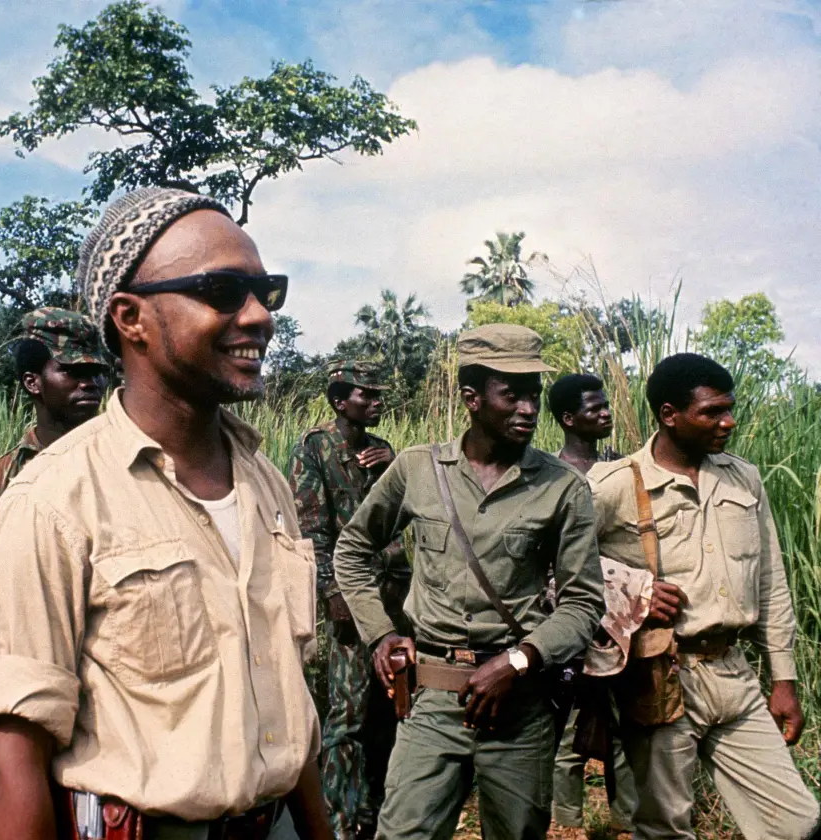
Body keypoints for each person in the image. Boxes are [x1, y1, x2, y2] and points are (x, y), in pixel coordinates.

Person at [0, 187, 331, 840]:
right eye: (221, 290)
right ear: (131, 319)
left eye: (265, 292)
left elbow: (286, 702)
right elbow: (5, 756)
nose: (258, 316)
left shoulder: (267, 485)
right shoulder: (51, 503)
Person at [333, 324, 605, 840]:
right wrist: (381, 633)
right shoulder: (418, 468)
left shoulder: (563, 487)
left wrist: (519, 660)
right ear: (472, 399)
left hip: (520, 708)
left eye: (534, 395)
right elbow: (352, 549)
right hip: (430, 701)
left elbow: (583, 603)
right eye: (513, 395)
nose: (528, 409)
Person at [588, 353, 819, 840]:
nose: (728, 421)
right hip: (660, 678)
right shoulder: (612, 485)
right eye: (712, 412)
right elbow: (556, 570)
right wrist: (633, 593)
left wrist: (784, 679)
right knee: (665, 827)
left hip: (735, 676)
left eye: (730, 408)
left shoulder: (743, 478)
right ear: (669, 414)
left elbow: (772, 582)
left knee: (798, 822)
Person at [288, 360, 410, 840]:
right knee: (348, 713)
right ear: (340, 402)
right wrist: (333, 592)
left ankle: (378, 814)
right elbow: (311, 530)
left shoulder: (383, 451)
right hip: (348, 596)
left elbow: (401, 523)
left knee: (391, 707)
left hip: (394, 595)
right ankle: (340, 821)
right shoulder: (314, 449)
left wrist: (390, 470)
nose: (377, 401)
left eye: (380, 394)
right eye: (367, 394)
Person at [545, 373, 637, 839]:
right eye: (593, 407)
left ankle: (627, 821)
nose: (605, 413)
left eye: (606, 406)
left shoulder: (620, 469)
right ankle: (567, 823)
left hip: (621, 620)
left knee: (621, 721)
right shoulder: (547, 473)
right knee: (569, 726)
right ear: (568, 419)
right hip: (565, 617)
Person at [0, 307, 109, 592]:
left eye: (97, 372)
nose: (90, 383)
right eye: (73, 371)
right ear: (32, 382)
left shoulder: (128, 460)